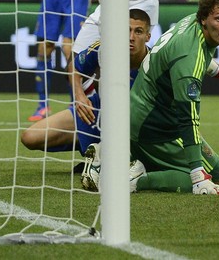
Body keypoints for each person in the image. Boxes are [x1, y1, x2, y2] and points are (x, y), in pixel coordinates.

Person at [127, 0, 219, 194]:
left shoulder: (192, 20)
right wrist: (197, 175)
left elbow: (183, 55)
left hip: (147, 114)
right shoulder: (188, 64)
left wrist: (215, 69)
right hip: (152, 127)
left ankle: (144, 162)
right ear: (204, 19)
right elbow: (188, 119)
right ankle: (135, 179)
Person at [20, 10, 152, 183]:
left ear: (148, 36)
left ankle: (107, 155)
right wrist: (79, 96)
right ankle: (91, 147)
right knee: (29, 138)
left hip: (134, 126)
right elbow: (75, 67)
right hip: (97, 112)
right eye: (126, 30)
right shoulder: (104, 48)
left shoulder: (155, 62)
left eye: (138, 31)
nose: (131, 37)